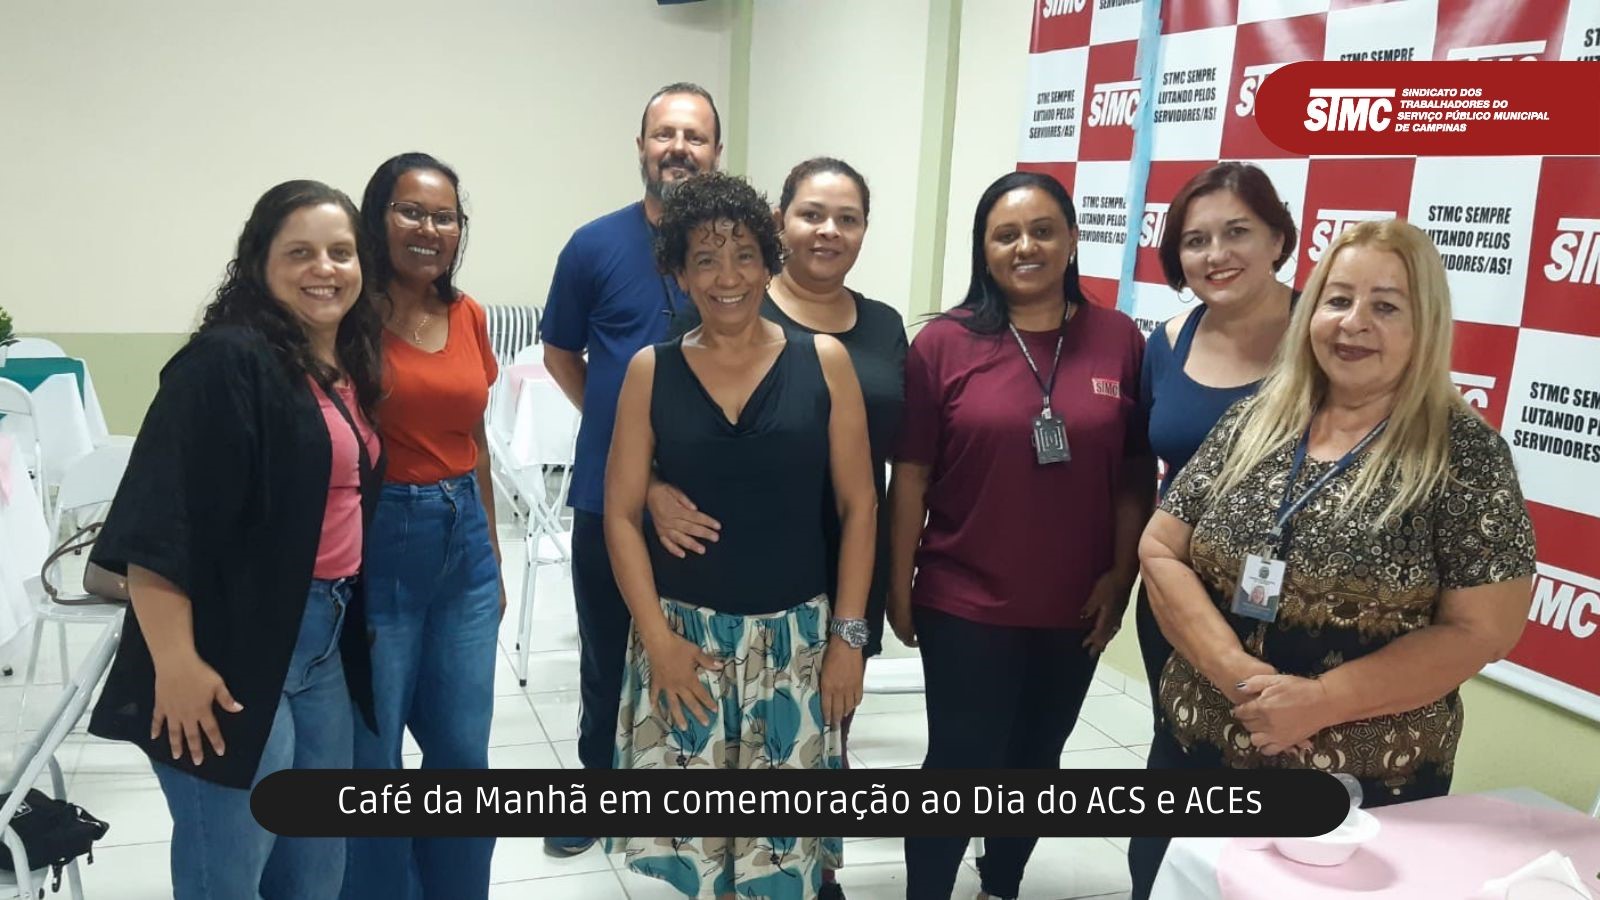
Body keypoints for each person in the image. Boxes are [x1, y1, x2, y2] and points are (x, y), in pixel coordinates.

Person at [1126, 219, 1536, 899]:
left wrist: (1319, 702)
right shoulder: (1257, 418)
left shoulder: (1464, 457)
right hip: (1194, 754)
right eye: (1338, 300)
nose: (1354, 323)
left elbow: (1483, 629)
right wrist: (1236, 674)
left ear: (1426, 325)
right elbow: (1160, 547)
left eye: (1386, 306)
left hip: (1359, 794)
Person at [86, 180, 384, 899]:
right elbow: (159, 527)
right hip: (227, 650)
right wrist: (177, 665)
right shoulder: (223, 363)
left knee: (316, 869)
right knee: (228, 874)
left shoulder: (342, 365)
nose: (325, 268)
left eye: (341, 252)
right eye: (300, 253)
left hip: (321, 645)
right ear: (259, 263)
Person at [605, 171, 877, 900]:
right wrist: (658, 644)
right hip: (686, 644)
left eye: (745, 256)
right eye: (705, 259)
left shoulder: (824, 361)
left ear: (768, 262)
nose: (727, 277)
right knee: (703, 857)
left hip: (798, 647)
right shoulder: (650, 371)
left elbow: (860, 506)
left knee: (781, 857)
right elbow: (620, 515)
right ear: (679, 273)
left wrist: (848, 640)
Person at [888, 171, 1154, 900]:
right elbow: (910, 477)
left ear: (1072, 239)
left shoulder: (1119, 340)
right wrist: (897, 586)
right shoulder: (942, 343)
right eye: (1005, 235)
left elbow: (1135, 474)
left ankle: (1000, 883)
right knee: (960, 765)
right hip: (964, 598)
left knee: (1036, 762)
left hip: (1076, 602)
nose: (1025, 247)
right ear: (984, 249)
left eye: (1042, 230)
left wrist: (1120, 578)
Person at [539, 81, 721, 858]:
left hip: (710, 501)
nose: (678, 148)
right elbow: (560, 353)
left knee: (700, 649)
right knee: (607, 651)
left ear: (716, 152)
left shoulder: (732, 253)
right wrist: (623, 448)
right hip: (606, 498)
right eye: (664, 134)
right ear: (642, 146)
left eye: (694, 136)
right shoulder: (593, 246)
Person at [343, 152, 502, 900]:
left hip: (464, 546)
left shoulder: (468, 315)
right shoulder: (347, 317)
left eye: (445, 217)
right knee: (374, 762)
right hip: (379, 543)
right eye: (411, 211)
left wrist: (492, 552)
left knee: (462, 756)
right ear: (378, 218)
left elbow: (476, 443)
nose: (429, 229)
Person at [1136, 161, 1299, 715]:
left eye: (1237, 232)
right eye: (1196, 241)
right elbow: (1137, 467)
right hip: (1178, 597)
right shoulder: (1168, 342)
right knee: (1179, 744)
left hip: (1301, 609)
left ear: (1277, 239)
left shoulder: (1328, 336)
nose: (1216, 255)